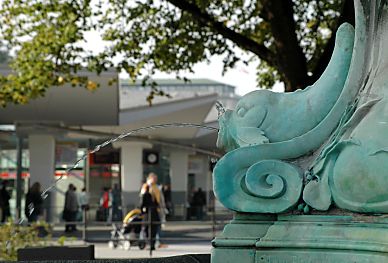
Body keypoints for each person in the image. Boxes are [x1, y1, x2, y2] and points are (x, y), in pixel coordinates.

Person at [141, 184, 159, 250]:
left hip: (148, 215)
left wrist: (142, 213)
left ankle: (148, 244)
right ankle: (152, 245)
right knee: (153, 230)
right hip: (155, 215)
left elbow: (142, 205)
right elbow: (157, 204)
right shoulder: (153, 195)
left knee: (146, 229)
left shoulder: (145, 195)